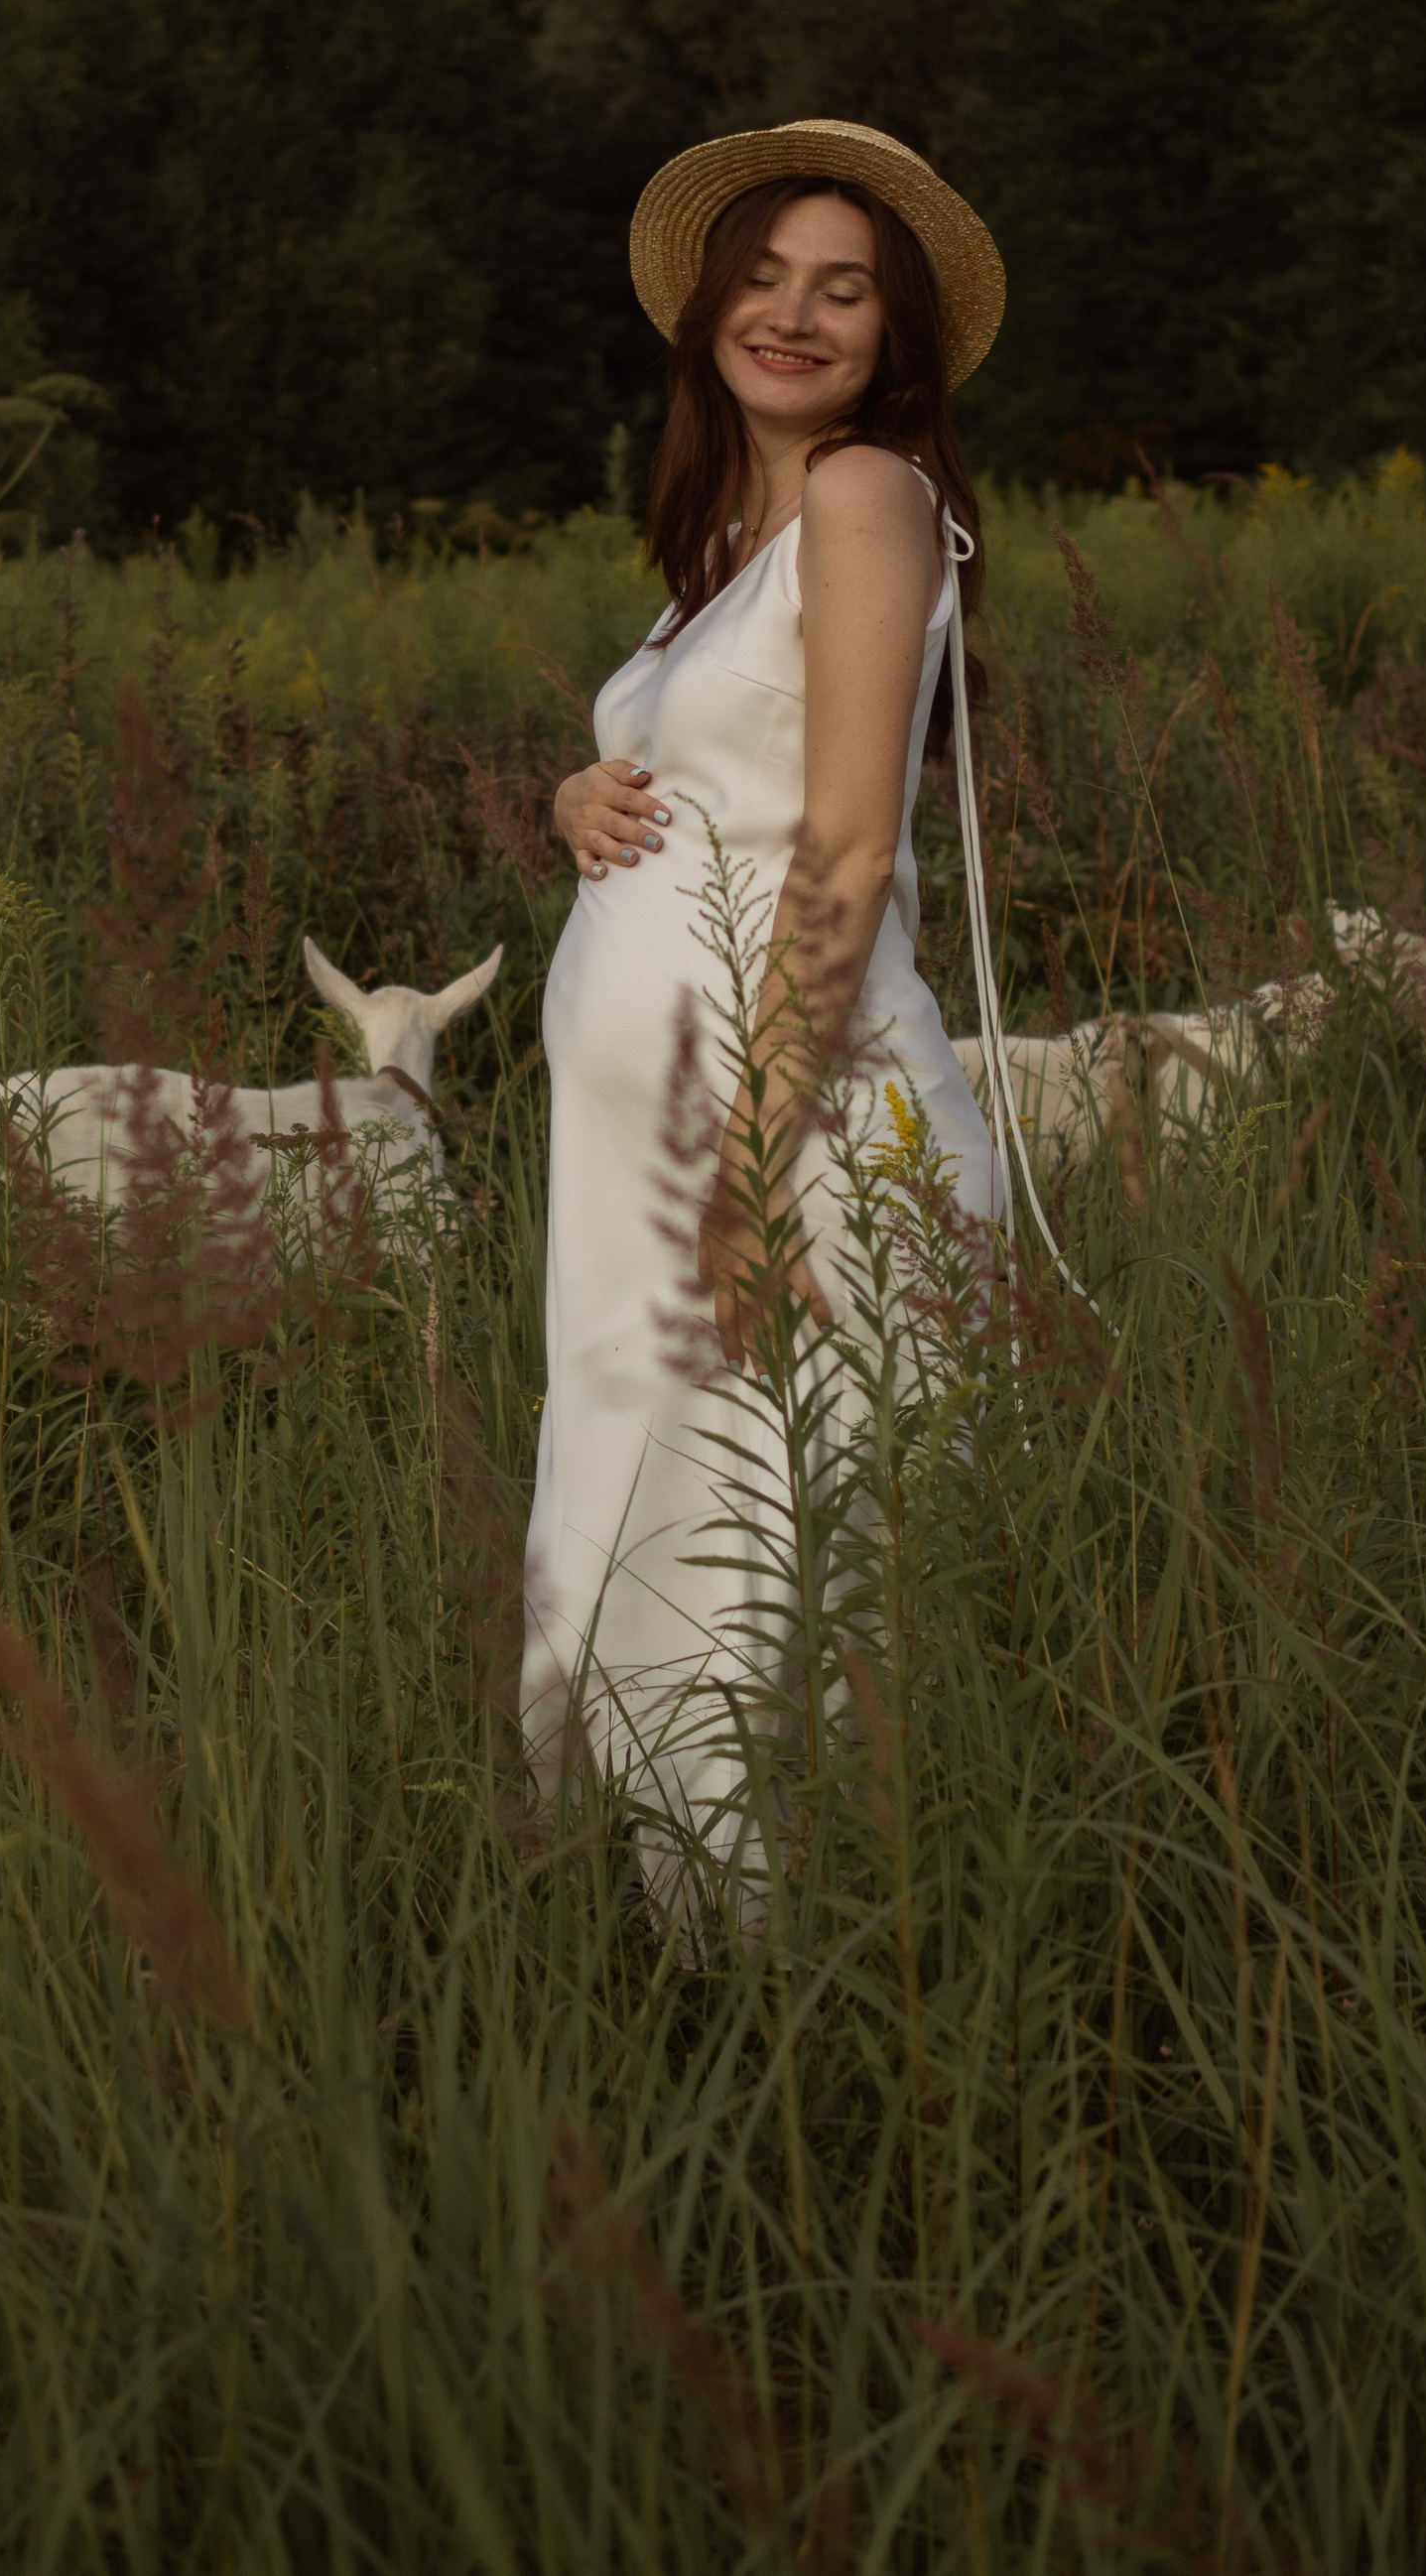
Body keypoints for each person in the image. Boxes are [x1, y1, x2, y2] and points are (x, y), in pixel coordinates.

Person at [520, 117, 1008, 1932]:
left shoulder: (873, 497)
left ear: (894, 342)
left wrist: (753, 1168)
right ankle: (682, 1933)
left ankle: (814, 1972)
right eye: (767, 275)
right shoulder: (727, 538)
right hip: (661, 1153)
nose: (794, 313)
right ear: (711, 302)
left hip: (791, 1133)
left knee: (796, 1541)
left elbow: (854, 840)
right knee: (670, 1501)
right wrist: (585, 789)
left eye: (846, 288)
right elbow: (714, 775)